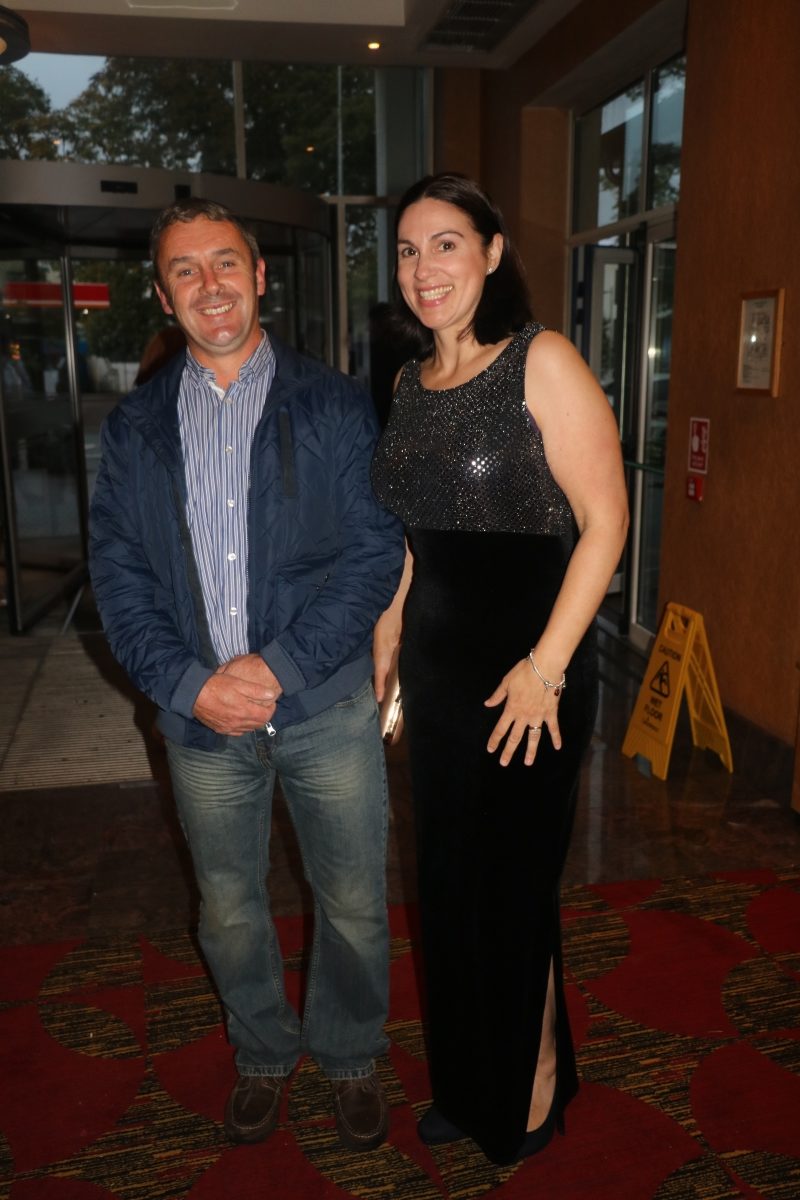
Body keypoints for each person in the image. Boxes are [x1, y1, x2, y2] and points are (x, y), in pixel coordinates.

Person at [89, 197, 405, 1152]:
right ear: (163, 295)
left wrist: (278, 666)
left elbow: (373, 553)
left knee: (353, 904)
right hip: (200, 726)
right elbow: (118, 575)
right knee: (227, 911)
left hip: (326, 709)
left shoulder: (336, 402)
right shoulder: (135, 427)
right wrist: (191, 685)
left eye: (225, 262)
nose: (210, 284)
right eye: (185, 270)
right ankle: (263, 1050)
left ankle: (349, 1053)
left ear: (260, 276)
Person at [371, 174, 629, 1166]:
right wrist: (389, 637)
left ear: (490, 251)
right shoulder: (407, 382)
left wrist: (545, 668)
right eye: (407, 250)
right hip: (438, 677)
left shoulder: (540, 360)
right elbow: (414, 537)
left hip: (531, 677)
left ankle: (533, 1083)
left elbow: (605, 523)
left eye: (444, 243)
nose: (422, 268)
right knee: (447, 887)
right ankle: (468, 1081)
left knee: (511, 891)